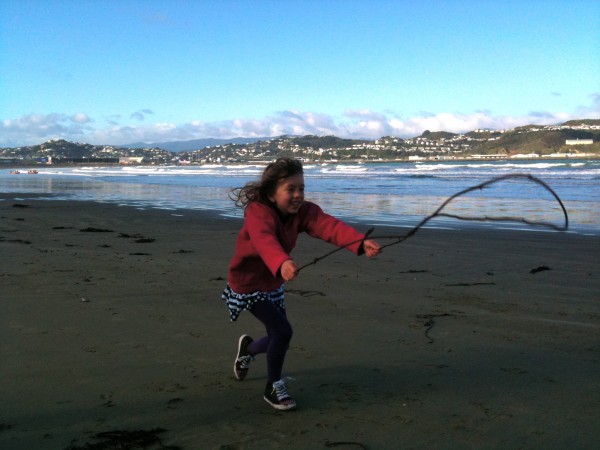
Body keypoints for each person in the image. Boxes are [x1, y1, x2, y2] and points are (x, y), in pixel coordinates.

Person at [222, 157, 381, 411]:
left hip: (273, 282)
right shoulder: (257, 212)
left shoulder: (303, 212)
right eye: (291, 189)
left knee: (278, 335)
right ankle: (273, 386)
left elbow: (327, 226)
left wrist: (359, 242)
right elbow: (264, 240)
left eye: (301, 188)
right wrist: (282, 261)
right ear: (272, 194)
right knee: (283, 332)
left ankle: (249, 349)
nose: (298, 195)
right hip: (249, 283)